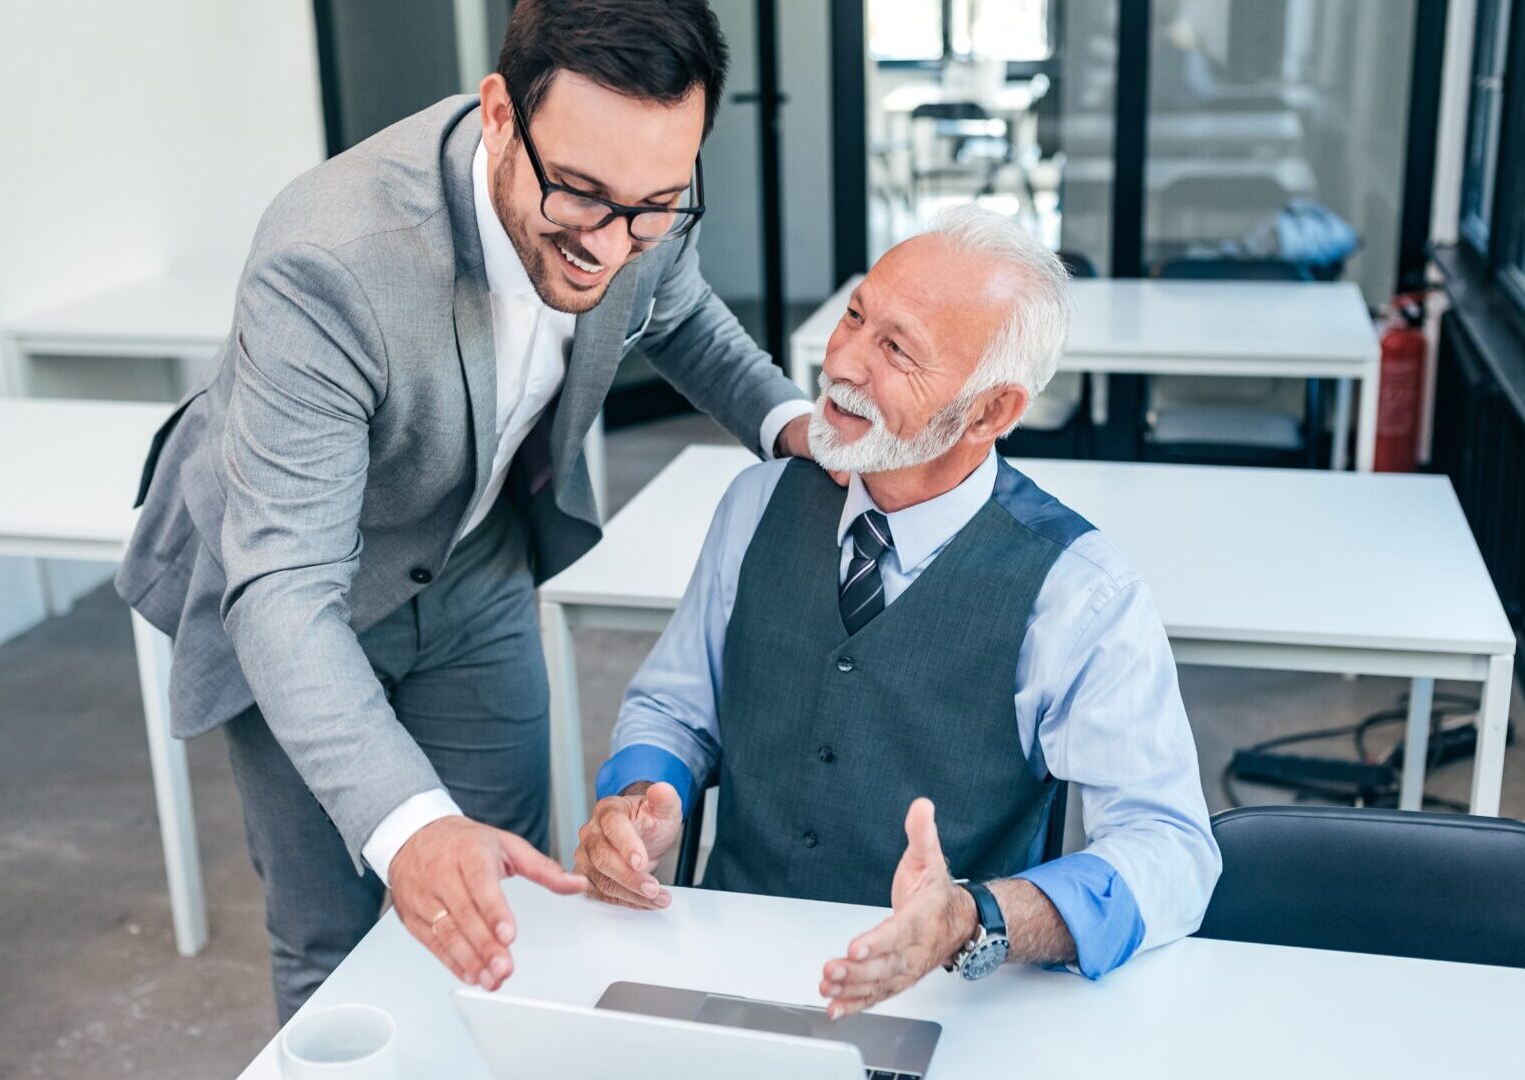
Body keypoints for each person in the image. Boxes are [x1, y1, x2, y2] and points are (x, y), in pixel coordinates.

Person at [116, 0, 820, 1021]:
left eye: (656, 205)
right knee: (333, 938)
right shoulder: (330, 258)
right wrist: (408, 827)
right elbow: (283, 591)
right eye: (580, 195)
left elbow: (679, 313)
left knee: (512, 912)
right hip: (302, 590)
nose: (613, 243)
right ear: (500, 114)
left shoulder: (637, 202)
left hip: (474, 559)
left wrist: (791, 425)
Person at [574, 207, 1220, 1019]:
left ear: (989, 413)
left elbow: (1172, 852)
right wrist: (646, 792)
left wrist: (978, 920)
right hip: (726, 974)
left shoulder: (1081, 595)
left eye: (896, 349)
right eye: (855, 314)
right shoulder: (755, 504)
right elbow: (672, 707)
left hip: (944, 1010)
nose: (840, 363)